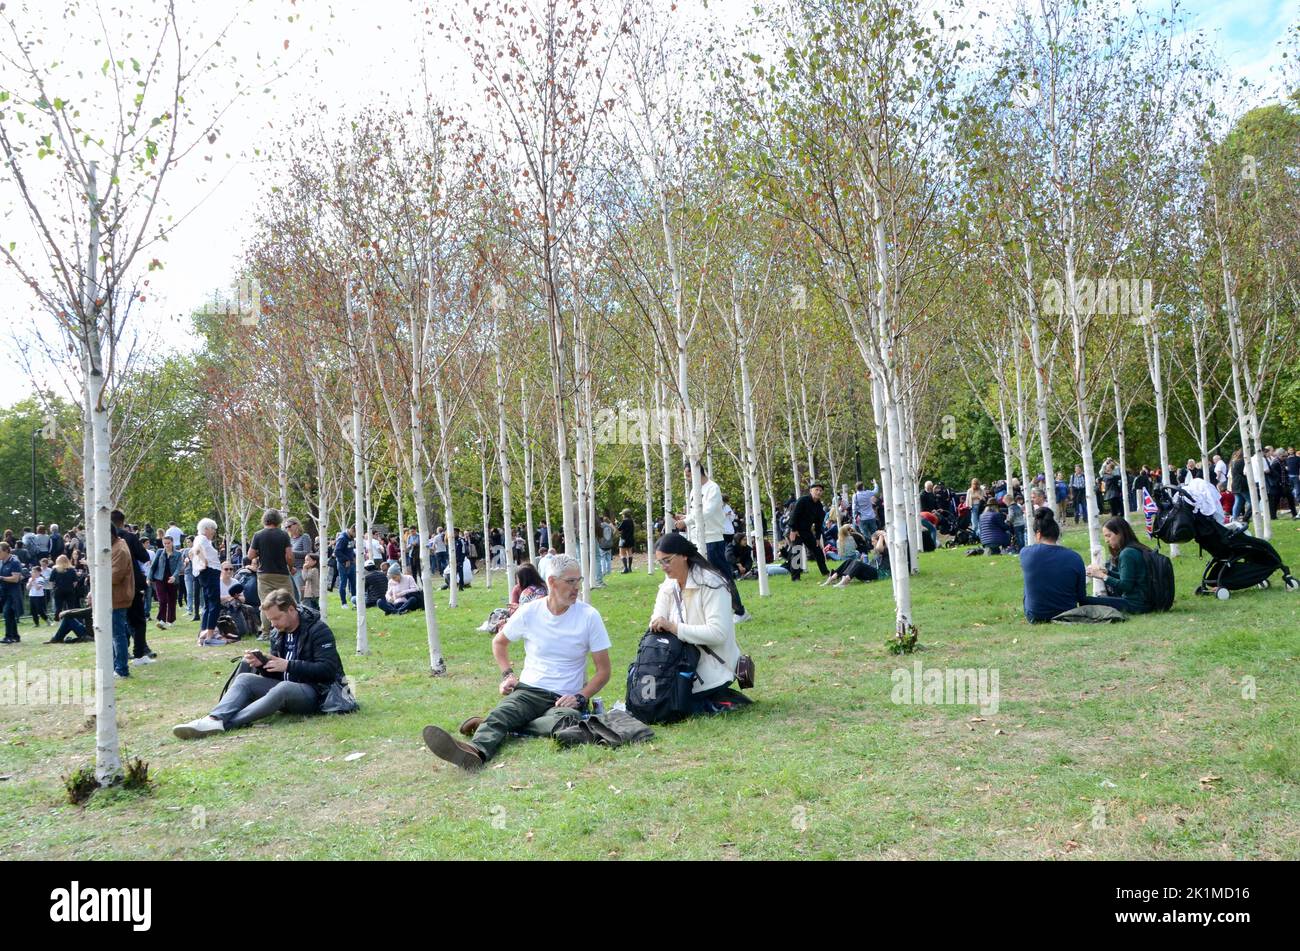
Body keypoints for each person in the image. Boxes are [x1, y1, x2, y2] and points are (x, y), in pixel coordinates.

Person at [421, 554, 612, 770]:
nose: (576, 587)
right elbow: (499, 643)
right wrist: (507, 675)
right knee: (504, 712)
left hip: (565, 698)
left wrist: (580, 696)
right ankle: (475, 753)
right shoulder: (530, 611)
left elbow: (603, 671)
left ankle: (491, 724)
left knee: (568, 726)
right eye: (570, 581)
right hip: (530, 690)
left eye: (579, 580)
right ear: (551, 582)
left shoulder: (589, 616)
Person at [172, 590, 347, 738]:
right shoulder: (278, 633)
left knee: (284, 687)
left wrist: (288, 665)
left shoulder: (318, 630)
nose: (273, 624)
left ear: (292, 610)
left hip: (318, 693)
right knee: (245, 678)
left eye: (276, 618)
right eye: (270, 620)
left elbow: (328, 670)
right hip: (287, 688)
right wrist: (262, 664)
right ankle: (214, 719)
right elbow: (278, 674)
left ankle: (227, 724)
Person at [647, 531, 750, 713]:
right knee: (653, 701)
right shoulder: (668, 585)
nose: (663, 567)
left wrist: (673, 627)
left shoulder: (711, 583)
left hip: (716, 665)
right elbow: (656, 620)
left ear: (684, 556)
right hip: (680, 663)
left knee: (673, 704)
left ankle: (719, 700)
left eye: (667, 560)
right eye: (659, 562)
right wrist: (659, 623)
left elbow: (717, 634)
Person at [677, 460, 750, 621]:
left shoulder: (713, 488)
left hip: (713, 540)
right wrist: (686, 518)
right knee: (696, 576)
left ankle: (740, 611)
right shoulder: (693, 491)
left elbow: (708, 512)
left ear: (698, 472)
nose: (687, 478)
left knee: (723, 576)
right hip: (697, 540)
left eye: (689, 474)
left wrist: (687, 521)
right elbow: (696, 513)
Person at [1018, 511, 1087, 622]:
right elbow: (1082, 597)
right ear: (1057, 534)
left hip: (1035, 615)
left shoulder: (1025, 553)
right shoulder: (1075, 557)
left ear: (1038, 534)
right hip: (1068, 613)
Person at [111, 510, 156, 666]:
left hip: (112, 585)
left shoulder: (103, 539)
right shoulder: (128, 537)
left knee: (118, 622)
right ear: (123, 522)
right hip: (132, 583)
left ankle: (120, 655)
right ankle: (139, 653)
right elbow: (144, 556)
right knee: (137, 620)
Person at [1083, 517, 1151, 614]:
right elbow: (1128, 578)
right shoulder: (1136, 548)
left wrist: (1102, 576)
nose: (1106, 540)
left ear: (1120, 533)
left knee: (1085, 600)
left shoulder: (1127, 554)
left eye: (1108, 536)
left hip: (1135, 604)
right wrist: (1107, 572)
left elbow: (1125, 586)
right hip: (1146, 602)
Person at [250, 510, 295, 638]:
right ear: (278, 520)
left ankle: (265, 633)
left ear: (265, 520)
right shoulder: (284, 535)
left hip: (264, 574)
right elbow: (290, 556)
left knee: (265, 603)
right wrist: (291, 568)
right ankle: (290, 629)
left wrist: (261, 552)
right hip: (282, 574)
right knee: (288, 601)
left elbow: (250, 555)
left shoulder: (258, 535)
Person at [192, 519, 224, 645]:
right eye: (213, 529)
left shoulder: (200, 539)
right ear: (206, 529)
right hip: (210, 572)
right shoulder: (202, 539)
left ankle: (203, 634)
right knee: (214, 604)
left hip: (207, 573)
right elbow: (197, 550)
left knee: (208, 604)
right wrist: (204, 561)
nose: (214, 531)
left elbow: (193, 551)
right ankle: (210, 636)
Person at [788, 482, 830, 579]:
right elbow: (794, 515)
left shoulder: (819, 506)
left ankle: (825, 572)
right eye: (816, 490)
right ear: (811, 491)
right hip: (796, 530)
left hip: (807, 531)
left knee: (818, 551)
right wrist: (793, 530)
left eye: (820, 490)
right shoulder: (803, 500)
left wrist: (818, 538)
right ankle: (795, 577)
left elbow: (819, 524)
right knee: (796, 551)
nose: (818, 492)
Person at [110, 525, 135, 677]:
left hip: (117, 597)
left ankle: (121, 668)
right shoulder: (117, 546)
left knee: (117, 634)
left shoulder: (119, 549)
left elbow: (114, 576)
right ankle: (117, 665)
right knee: (119, 632)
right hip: (116, 596)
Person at [150, 534, 183, 629]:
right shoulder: (159, 552)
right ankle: (161, 619)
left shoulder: (178, 554)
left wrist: (174, 576)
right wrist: (148, 578)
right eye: (165, 543)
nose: (166, 545)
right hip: (160, 579)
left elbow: (179, 567)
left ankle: (171, 620)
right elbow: (153, 566)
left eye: (168, 543)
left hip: (172, 580)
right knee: (162, 600)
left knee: (172, 600)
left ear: (172, 543)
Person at [0, 542, 26, 643]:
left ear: (6, 551)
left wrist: (1, 578)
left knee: (7, 612)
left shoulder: (14, 562)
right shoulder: (1, 562)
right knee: (9, 614)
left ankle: (8, 636)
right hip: (4, 592)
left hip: (13, 592)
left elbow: (15, 579)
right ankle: (15, 636)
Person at [334, 527, 357, 607]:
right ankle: (344, 603)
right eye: (355, 533)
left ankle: (355, 602)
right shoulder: (342, 538)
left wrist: (354, 557)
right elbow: (337, 551)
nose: (355, 536)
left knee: (353, 583)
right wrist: (346, 559)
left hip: (352, 564)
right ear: (352, 531)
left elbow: (351, 550)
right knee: (343, 583)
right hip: (343, 565)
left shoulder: (351, 538)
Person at [617, 508, 636, 574]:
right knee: (629, 553)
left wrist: (617, 523)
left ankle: (625, 568)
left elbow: (619, 529)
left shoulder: (624, 521)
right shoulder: (631, 521)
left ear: (624, 515)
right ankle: (630, 568)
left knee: (622, 553)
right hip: (630, 539)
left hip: (623, 539)